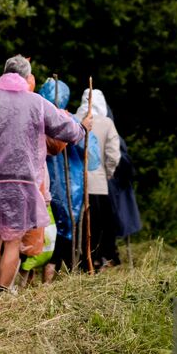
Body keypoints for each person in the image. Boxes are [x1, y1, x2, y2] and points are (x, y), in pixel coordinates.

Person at [0, 55, 88, 295]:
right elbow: (62, 127)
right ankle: (3, 289)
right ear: (27, 77)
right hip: (21, 179)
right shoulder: (36, 102)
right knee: (13, 239)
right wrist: (81, 127)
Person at [76, 87, 121, 269]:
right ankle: (95, 259)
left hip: (75, 185)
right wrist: (108, 174)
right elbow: (113, 155)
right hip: (98, 183)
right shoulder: (107, 123)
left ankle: (80, 260)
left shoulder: (73, 119)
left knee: (79, 226)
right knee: (97, 225)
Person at [38, 77, 78, 282]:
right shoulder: (65, 120)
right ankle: (49, 278)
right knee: (58, 230)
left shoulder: (34, 113)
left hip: (40, 183)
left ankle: (39, 278)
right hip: (61, 187)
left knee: (41, 231)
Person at [106, 103, 142, 257]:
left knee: (113, 223)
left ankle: (111, 255)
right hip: (113, 186)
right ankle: (110, 255)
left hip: (117, 185)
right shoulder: (114, 135)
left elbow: (123, 163)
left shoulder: (114, 136)